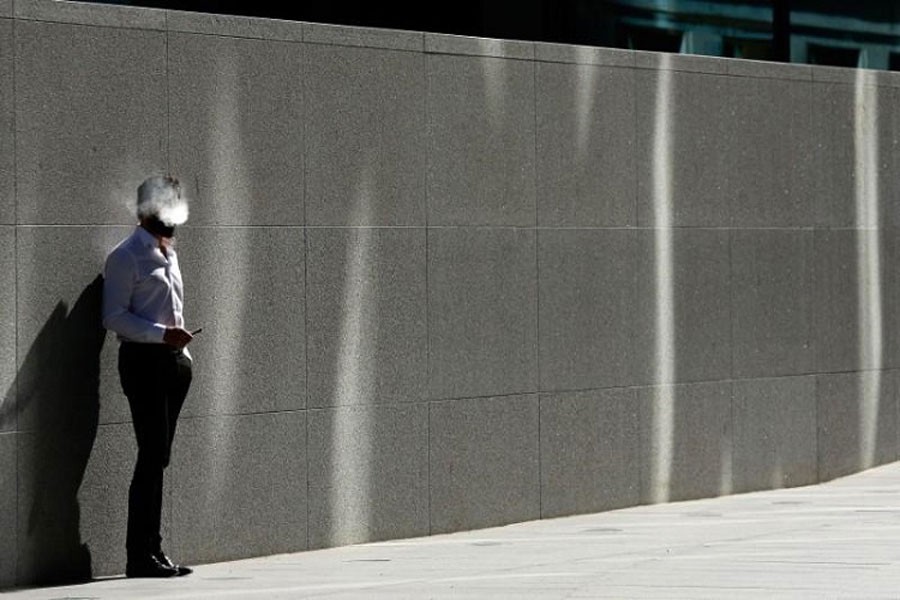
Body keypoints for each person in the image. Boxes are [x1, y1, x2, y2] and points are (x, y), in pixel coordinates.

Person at [102, 175, 195, 578]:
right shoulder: (126, 257)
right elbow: (114, 316)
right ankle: (141, 554)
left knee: (158, 458)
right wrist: (162, 336)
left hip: (172, 364)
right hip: (143, 363)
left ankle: (151, 550)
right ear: (145, 211)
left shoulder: (169, 253)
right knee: (152, 456)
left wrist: (182, 352)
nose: (172, 216)